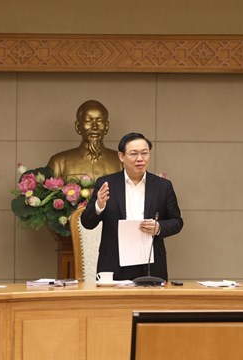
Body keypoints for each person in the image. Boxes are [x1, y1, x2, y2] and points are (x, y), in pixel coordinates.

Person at [81, 132, 183, 281]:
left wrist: (159, 227)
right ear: (121, 156)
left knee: (150, 304)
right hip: (114, 262)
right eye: (134, 154)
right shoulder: (106, 184)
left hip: (150, 262)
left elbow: (177, 221)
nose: (140, 159)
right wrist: (99, 205)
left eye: (144, 153)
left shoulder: (162, 186)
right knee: (114, 304)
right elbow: (87, 223)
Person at [47, 100, 122, 180]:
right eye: (88, 121)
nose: (95, 127)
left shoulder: (121, 161)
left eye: (99, 121)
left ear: (106, 126)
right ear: (78, 127)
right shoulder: (59, 163)